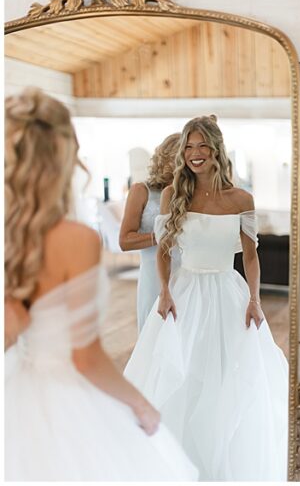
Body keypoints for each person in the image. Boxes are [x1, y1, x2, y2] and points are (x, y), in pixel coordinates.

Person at [4, 87, 197, 481]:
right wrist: (141, 405)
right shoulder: (75, 239)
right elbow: (85, 357)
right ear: (61, 156)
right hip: (61, 396)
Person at [124, 115, 287, 481]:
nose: (195, 154)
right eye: (189, 147)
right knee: (183, 372)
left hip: (229, 292)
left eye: (201, 146)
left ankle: (222, 458)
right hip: (184, 292)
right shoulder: (172, 194)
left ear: (216, 148)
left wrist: (255, 299)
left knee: (227, 373)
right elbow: (164, 252)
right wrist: (164, 292)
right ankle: (181, 459)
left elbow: (250, 255)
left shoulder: (241, 199)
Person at [119, 132, 180, 333]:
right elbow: (125, 240)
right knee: (152, 333)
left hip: (186, 272)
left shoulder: (190, 193)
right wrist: (163, 235)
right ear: (167, 158)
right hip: (153, 273)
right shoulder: (141, 190)